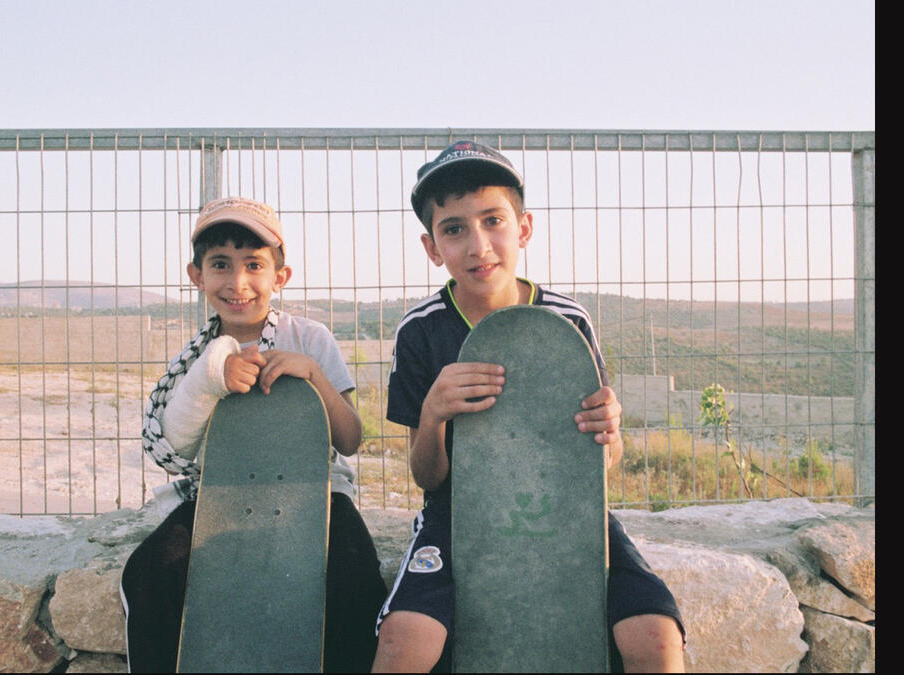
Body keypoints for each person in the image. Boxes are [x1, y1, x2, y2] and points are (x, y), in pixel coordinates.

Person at [372, 141, 687, 673]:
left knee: (654, 638)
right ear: (432, 247)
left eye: (493, 221)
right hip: (458, 513)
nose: (478, 245)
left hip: (569, 508)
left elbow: (604, 462)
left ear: (523, 228)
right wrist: (433, 415)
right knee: (405, 643)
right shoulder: (421, 330)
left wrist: (609, 432)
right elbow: (427, 477)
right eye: (454, 229)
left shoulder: (567, 321)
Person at [119, 196, 388, 673]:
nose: (237, 282)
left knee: (355, 577)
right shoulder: (197, 359)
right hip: (220, 494)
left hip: (317, 494)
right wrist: (213, 380)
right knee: (150, 572)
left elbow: (350, 439)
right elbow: (172, 447)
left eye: (254, 265)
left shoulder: (310, 338)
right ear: (197, 275)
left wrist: (313, 376)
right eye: (220, 264)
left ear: (280, 277)